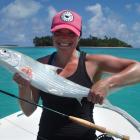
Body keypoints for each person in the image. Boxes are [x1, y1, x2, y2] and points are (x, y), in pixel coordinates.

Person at [13, 10, 140, 140]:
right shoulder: (39, 65)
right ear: (52, 35)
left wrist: (108, 83)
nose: (64, 38)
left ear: (79, 36)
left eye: (71, 33)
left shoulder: (92, 62)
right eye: (59, 32)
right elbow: (28, 111)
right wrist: (23, 87)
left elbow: (137, 68)